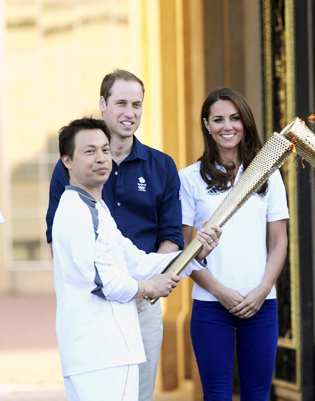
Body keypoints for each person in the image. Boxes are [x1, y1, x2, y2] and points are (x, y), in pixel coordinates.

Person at [52, 117, 220, 401]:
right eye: (89, 151)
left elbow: (139, 262)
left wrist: (195, 253)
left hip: (111, 352)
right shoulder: (77, 212)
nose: (101, 158)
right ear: (67, 160)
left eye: (105, 150)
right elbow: (105, 281)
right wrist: (146, 288)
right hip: (100, 354)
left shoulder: (96, 208)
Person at [45, 69, 183, 400]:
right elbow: (96, 274)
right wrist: (141, 287)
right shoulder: (76, 194)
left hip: (137, 308)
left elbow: (152, 246)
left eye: (137, 104)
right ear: (103, 105)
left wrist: (193, 255)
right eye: (121, 103)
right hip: (97, 324)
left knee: (138, 394)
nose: (129, 112)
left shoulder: (157, 168)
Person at [179, 87, 289, 400]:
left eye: (235, 118)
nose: (228, 126)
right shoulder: (189, 178)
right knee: (217, 394)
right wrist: (220, 291)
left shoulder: (267, 174)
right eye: (218, 119)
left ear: (245, 122)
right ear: (206, 125)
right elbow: (185, 248)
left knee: (257, 394)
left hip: (261, 304)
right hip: (211, 305)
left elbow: (279, 241)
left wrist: (262, 289)